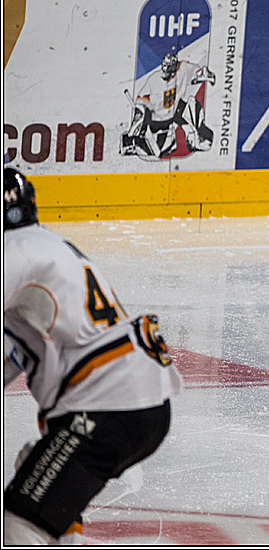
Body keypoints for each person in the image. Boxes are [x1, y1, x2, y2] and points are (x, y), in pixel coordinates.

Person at [3, 167, 182, 544]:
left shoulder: (12, 254)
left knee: (18, 523)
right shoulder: (43, 245)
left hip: (108, 405)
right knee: (35, 474)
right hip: (136, 403)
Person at [120, 51, 216, 160]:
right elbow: (142, 101)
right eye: (164, 66)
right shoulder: (154, 79)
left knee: (191, 102)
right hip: (157, 122)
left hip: (173, 117)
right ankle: (129, 141)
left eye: (168, 68)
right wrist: (139, 115)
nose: (165, 71)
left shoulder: (183, 69)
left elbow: (198, 71)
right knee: (160, 151)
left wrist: (206, 75)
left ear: (174, 68)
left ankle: (197, 137)